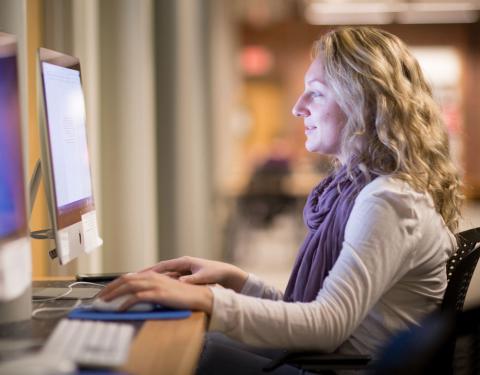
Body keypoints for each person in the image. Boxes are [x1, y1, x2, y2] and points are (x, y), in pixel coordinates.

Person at [99, 26, 462, 374]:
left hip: (341, 368)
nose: (298, 107)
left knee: (178, 354)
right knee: (190, 342)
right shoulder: (368, 190)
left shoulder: (388, 200)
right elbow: (313, 314)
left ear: (363, 102)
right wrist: (236, 280)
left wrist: (210, 301)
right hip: (334, 361)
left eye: (316, 92)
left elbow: (326, 325)